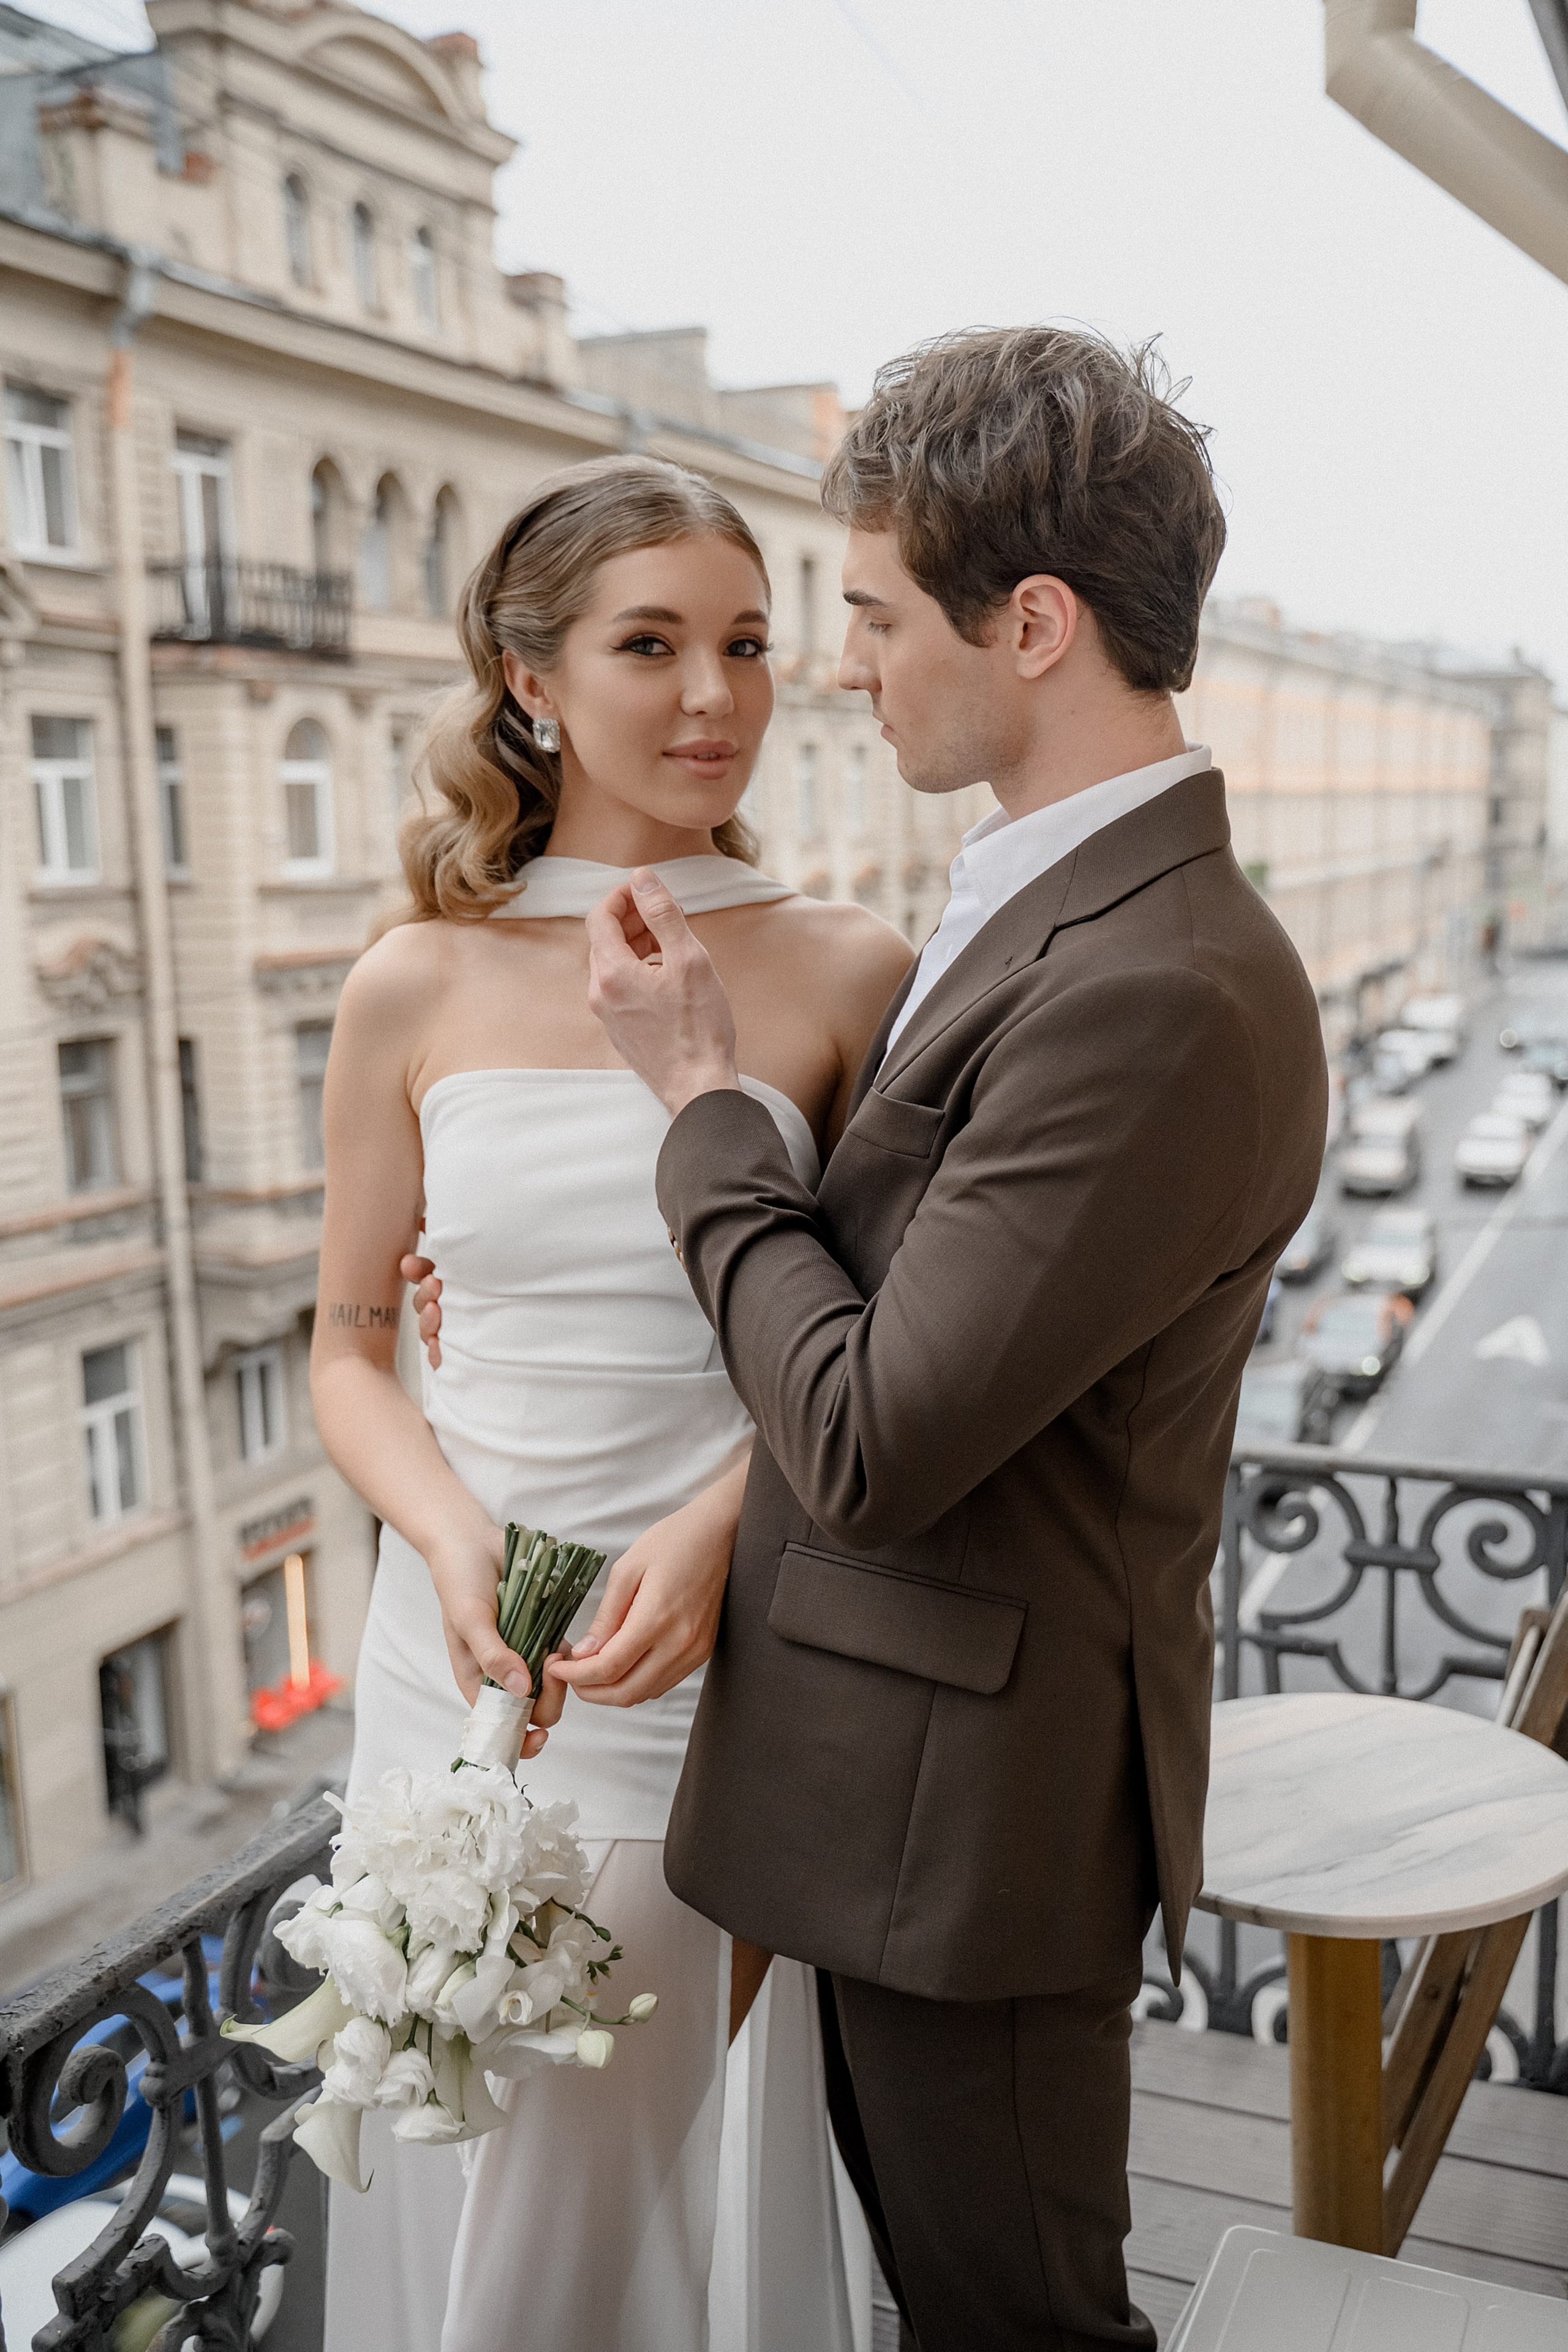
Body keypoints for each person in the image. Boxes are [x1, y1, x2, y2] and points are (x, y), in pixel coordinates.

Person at [568, 327, 1330, 2350]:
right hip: (895, 1799)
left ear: (1038, 624)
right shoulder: (1056, 906)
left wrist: (706, 1105)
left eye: (869, 614)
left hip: (966, 1835)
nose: (839, 665)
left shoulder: (1163, 984)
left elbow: (875, 1429)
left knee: (1019, 2326)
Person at [309, 451, 911, 2352]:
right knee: (436, 2146)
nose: (716, 696)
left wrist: (714, 1532)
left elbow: (882, 1358)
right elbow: (346, 1340)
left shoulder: (848, 970)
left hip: (702, 1681)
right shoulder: (411, 981)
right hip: (451, 1671)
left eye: (745, 641)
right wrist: (453, 1534)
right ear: (532, 682)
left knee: (616, 2185)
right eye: (650, 644)